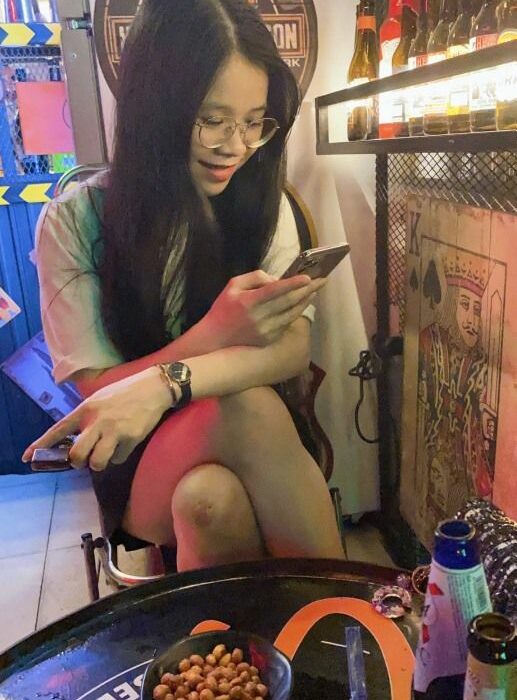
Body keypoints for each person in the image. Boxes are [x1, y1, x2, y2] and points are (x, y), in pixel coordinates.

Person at [23, 0, 344, 571]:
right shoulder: (76, 222)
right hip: (135, 457)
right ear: (154, 108)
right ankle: (344, 613)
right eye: (212, 119)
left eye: (254, 121)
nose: (235, 145)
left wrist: (167, 382)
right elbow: (99, 396)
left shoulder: (265, 202)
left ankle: (234, 634)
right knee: (243, 407)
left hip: (255, 444)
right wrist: (215, 335)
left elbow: (293, 348)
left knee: (210, 500)